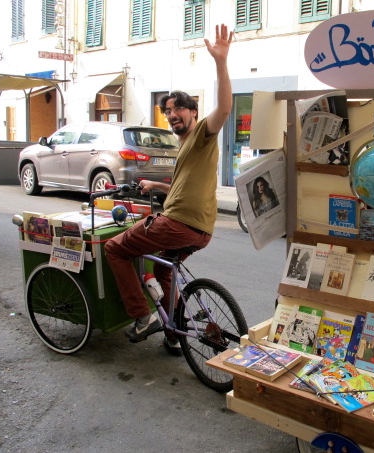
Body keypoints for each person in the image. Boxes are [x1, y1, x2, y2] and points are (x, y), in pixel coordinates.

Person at [104, 24, 233, 352]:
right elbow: (183, 184)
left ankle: (142, 316)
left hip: (178, 223)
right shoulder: (187, 146)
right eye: (168, 111)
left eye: (179, 109)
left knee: (115, 249)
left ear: (193, 112)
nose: (173, 115)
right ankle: (175, 335)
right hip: (200, 229)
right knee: (166, 269)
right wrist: (156, 184)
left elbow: (226, 108)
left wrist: (221, 60)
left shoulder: (204, 132)